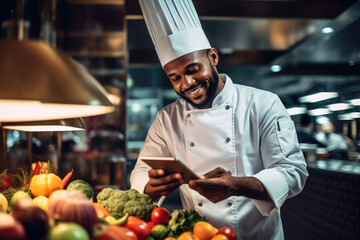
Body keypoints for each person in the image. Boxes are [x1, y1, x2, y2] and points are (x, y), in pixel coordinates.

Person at [130, 1, 308, 239]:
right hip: (195, 234)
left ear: (213, 56)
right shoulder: (166, 118)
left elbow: (293, 172)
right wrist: (151, 187)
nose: (187, 84)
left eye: (193, 69)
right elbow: (141, 171)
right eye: (175, 78)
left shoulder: (263, 103)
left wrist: (235, 185)